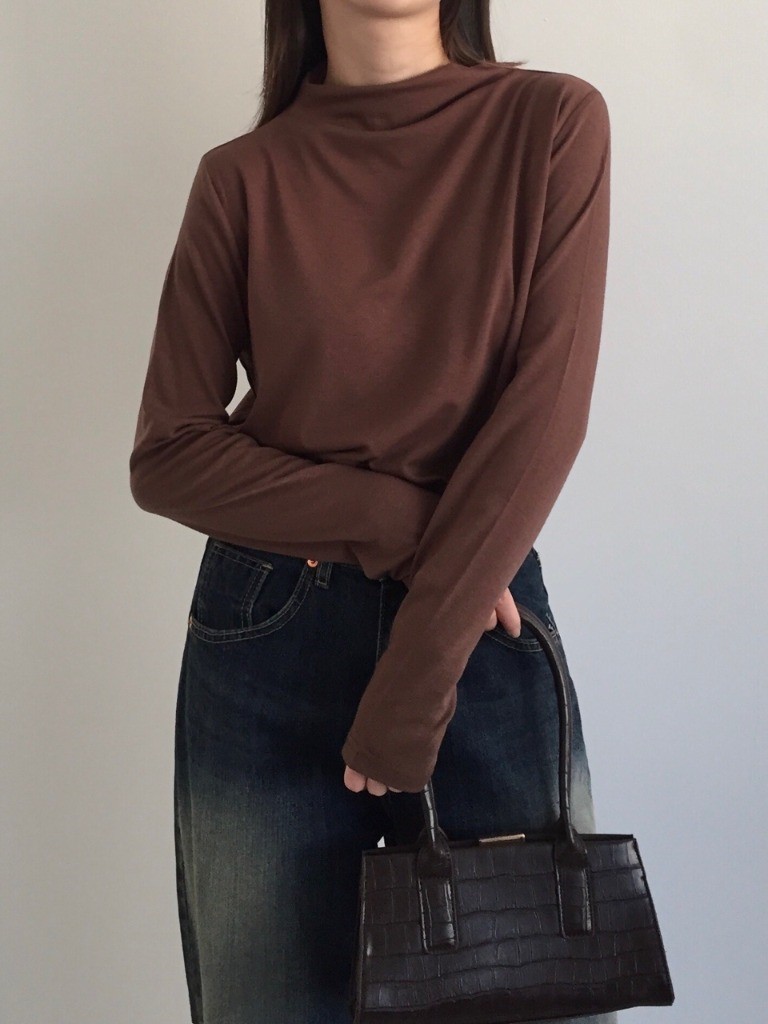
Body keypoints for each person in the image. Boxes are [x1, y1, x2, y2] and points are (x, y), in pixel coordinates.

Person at [128, 1, 614, 1021]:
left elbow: (548, 412)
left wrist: (419, 669)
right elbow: (168, 455)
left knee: (533, 994)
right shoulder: (242, 177)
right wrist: (403, 531)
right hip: (273, 633)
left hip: (478, 629)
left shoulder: (552, 121)